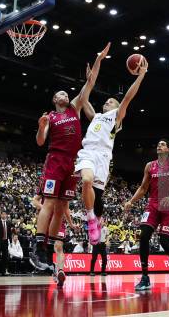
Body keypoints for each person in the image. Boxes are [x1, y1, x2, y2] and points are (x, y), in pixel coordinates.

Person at [30, 44, 110, 270]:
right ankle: (37, 245)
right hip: (56, 160)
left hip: (73, 162)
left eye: (67, 93)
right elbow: (40, 141)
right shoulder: (51, 116)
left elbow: (90, 83)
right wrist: (40, 126)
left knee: (61, 206)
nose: (65, 94)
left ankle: (48, 249)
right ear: (55, 99)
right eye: (61, 93)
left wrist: (98, 60)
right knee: (50, 202)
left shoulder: (75, 108)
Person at [77, 57, 149, 245]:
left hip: (103, 156)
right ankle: (91, 218)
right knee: (86, 181)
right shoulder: (96, 116)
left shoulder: (115, 118)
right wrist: (89, 81)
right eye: (107, 101)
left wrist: (141, 76)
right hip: (87, 152)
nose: (107, 102)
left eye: (111, 101)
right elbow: (83, 99)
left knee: (97, 195)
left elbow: (127, 98)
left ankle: (96, 219)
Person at [124, 139, 169, 290]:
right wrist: (131, 201)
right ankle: (145, 277)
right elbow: (143, 188)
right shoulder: (149, 165)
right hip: (152, 204)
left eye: (163, 144)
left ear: (168, 149)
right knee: (144, 235)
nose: (159, 146)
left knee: (164, 240)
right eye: (158, 144)